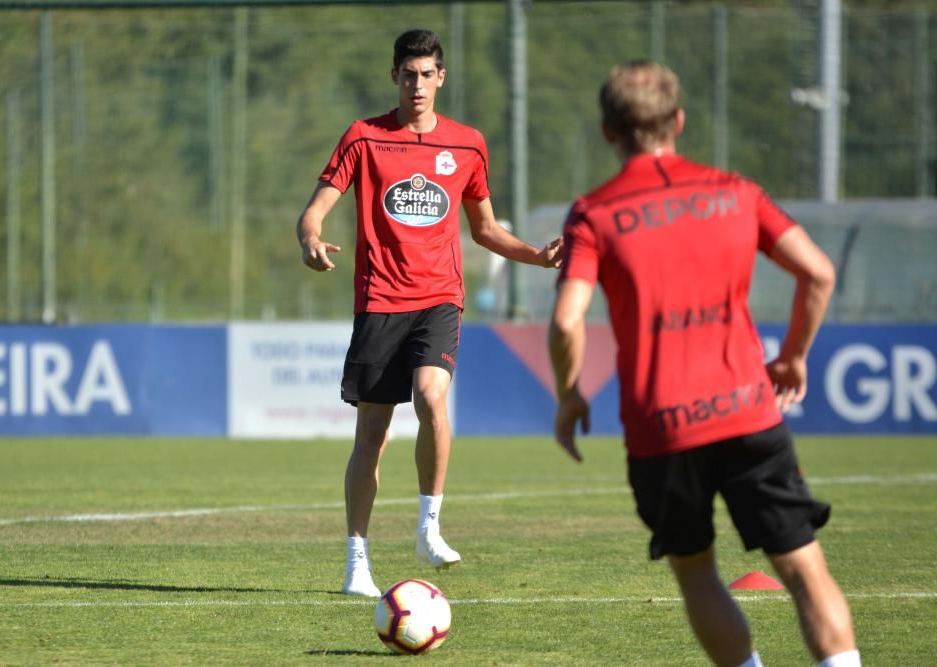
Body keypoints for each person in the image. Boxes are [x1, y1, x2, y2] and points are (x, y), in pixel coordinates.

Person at [548, 60, 860, 667]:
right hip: (748, 410)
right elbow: (818, 271)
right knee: (802, 566)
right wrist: (792, 356)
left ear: (609, 131)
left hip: (660, 430)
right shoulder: (736, 192)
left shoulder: (594, 213)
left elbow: (566, 321)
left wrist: (569, 394)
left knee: (696, 571)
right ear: (680, 121)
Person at [297, 28, 562, 598]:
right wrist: (311, 238)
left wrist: (536, 257)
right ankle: (357, 562)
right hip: (378, 301)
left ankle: (428, 527)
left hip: (439, 298)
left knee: (432, 397)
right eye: (408, 74)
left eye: (427, 74)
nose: (417, 85)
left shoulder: (467, 145)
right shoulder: (364, 137)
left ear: (441, 77)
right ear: (394, 76)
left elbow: (486, 229)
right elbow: (315, 210)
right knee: (372, 433)